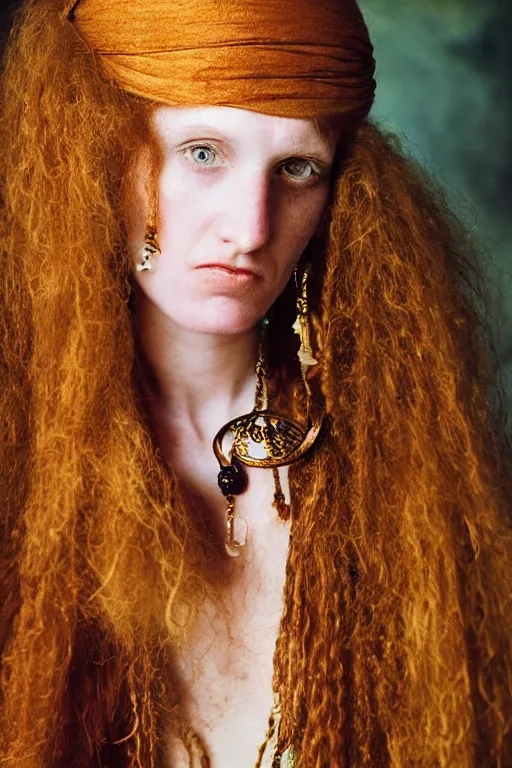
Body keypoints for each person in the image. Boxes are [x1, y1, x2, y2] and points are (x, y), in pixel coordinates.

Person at [1, 0, 511, 766]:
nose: (251, 228)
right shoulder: (19, 457)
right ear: (91, 146)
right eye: (203, 152)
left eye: (297, 168)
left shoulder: (404, 468)